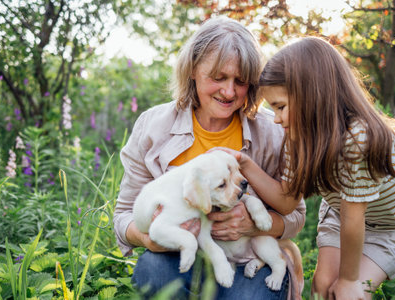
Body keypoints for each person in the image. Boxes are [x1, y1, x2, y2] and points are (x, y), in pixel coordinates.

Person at [113, 17, 306, 299]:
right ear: (192, 69)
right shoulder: (153, 126)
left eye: (240, 82)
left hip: (245, 257)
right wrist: (148, 238)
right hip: (178, 257)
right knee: (153, 271)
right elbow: (123, 214)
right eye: (218, 78)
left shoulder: (272, 131)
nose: (229, 92)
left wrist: (253, 225)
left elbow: (297, 215)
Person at [252, 36, 395, 300]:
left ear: (311, 95)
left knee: (348, 293)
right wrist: (245, 166)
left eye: (280, 107)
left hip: (390, 226)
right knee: (323, 287)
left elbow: (355, 219)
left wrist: (348, 280)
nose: (276, 119)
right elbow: (286, 200)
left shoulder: (360, 138)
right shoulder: (298, 137)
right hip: (342, 213)